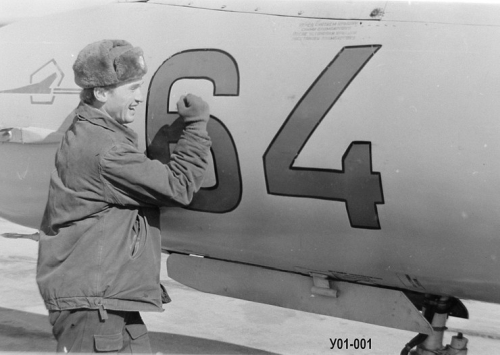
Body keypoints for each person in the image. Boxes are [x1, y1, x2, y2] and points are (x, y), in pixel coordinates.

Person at [36, 39, 212, 353]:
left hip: (104, 295)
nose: (140, 97)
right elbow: (179, 186)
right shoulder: (107, 149)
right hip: (93, 305)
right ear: (102, 93)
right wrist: (196, 125)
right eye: (132, 88)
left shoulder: (91, 131)